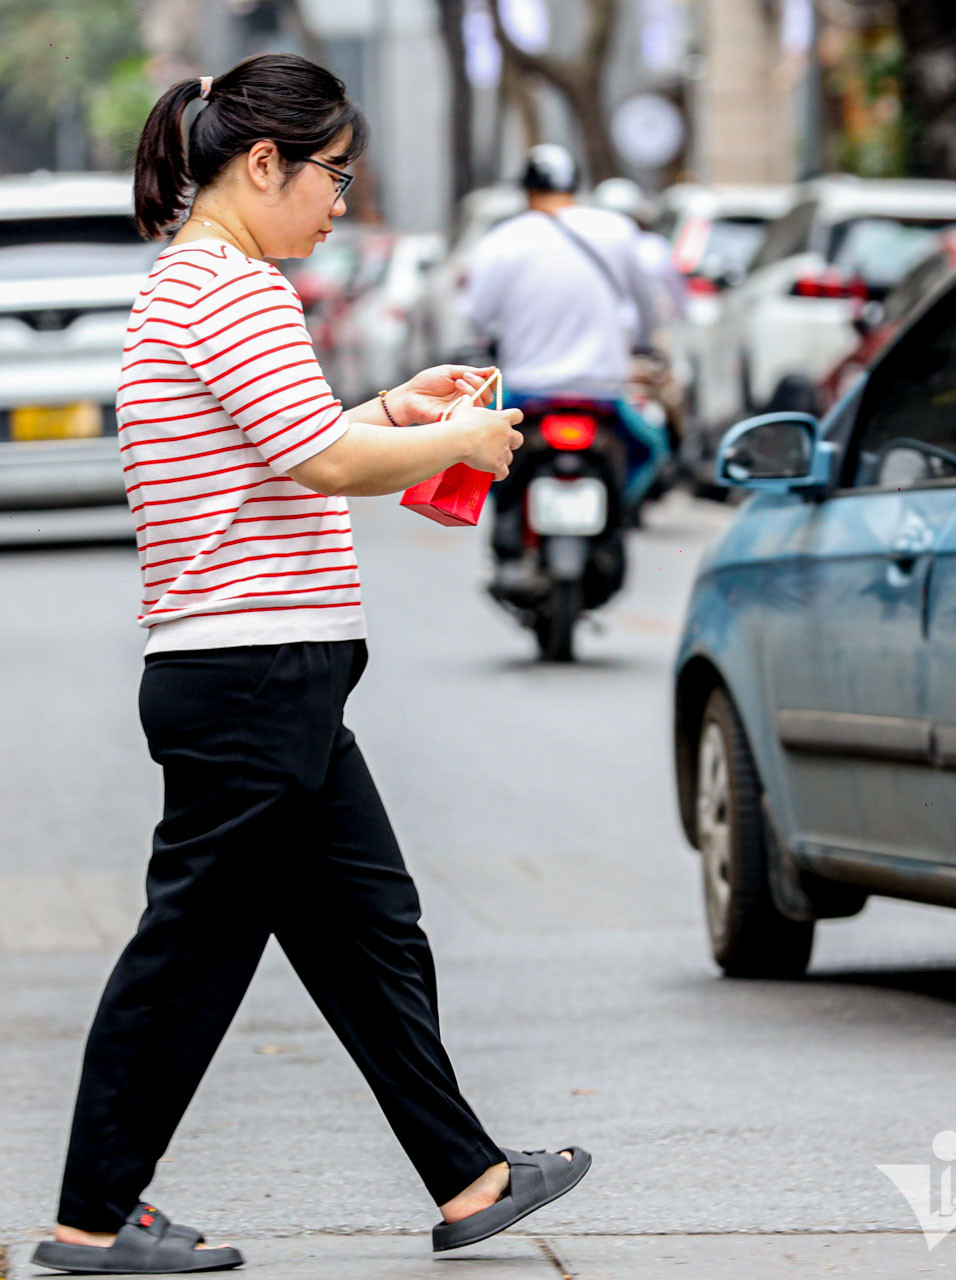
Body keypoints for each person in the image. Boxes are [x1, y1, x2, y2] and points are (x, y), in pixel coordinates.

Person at [32, 53, 591, 1277]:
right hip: (250, 680)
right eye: (334, 175)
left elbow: (299, 442)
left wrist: (394, 409)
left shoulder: (205, 281)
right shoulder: (231, 289)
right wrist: (465, 436)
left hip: (271, 680)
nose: (342, 201)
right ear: (264, 162)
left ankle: (471, 1177)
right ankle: (92, 1213)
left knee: (370, 928)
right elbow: (320, 464)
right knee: (190, 953)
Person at [461, 144, 666, 586]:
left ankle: (508, 531)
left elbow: (477, 317)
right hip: (603, 395)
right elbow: (647, 307)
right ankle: (618, 520)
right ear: (577, 186)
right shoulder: (617, 231)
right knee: (651, 448)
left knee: (491, 461)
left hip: (527, 396)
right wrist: (646, 343)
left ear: (527, 191)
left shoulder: (501, 241)